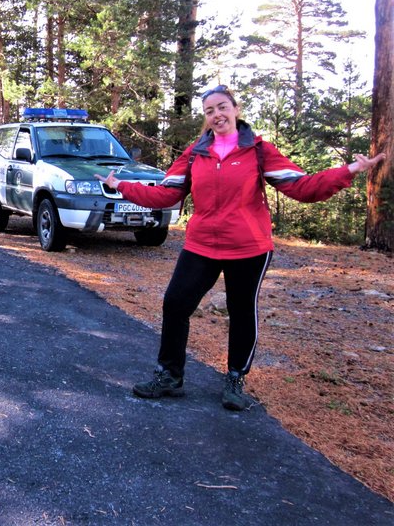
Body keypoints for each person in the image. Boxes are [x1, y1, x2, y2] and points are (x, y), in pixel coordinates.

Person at [96, 84, 386, 411]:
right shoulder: (196, 153)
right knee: (176, 302)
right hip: (202, 243)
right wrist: (122, 186)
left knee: (242, 310)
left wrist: (348, 171)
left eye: (222, 107)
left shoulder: (258, 151)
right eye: (209, 111)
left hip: (249, 247)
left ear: (235, 109)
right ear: (205, 118)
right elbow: (166, 194)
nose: (217, 115)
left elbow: (302, 187)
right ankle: (169, 375)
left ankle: (235, 378)